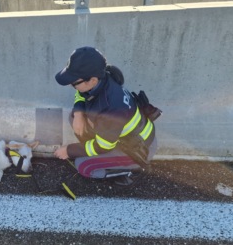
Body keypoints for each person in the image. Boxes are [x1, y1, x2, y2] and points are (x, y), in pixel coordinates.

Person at [54, 46, 159, 185]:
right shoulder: (103, 77)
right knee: (73, 117)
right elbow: (81, 94)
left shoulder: (112, 107)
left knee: (83, 166)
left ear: (92, 80)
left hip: (137, 149)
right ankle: (99, 156)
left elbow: (103, 146)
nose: (72, 86)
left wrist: (69, 150)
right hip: (116, 135)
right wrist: (79, 114)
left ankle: (129, 169)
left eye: (74, 83)